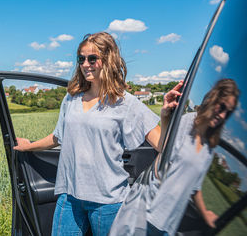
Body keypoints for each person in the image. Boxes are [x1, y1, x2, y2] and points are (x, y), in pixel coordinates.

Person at [14, 32, 161, 236]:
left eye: (92, 58)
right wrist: (27, 146)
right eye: (81, 58)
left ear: (108, 60)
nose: (85, 64)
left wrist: (169, 113)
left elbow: (162, 145)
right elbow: (58, 137)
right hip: (70, 197)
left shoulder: (125, 103)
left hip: (108, 202)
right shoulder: (72, 98)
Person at [145, 78, 240, 236]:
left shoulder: (210, 144)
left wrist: (205, 213)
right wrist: (165, 118)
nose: (223, 115)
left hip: (170, 225)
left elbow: (194, 186)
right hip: (150, 214)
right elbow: (164, 154)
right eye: (222, 107)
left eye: (228, 112)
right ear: (213, 99)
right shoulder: (187, 122)